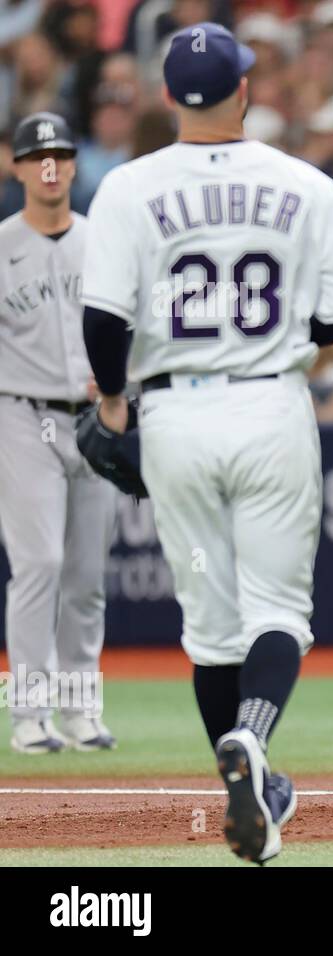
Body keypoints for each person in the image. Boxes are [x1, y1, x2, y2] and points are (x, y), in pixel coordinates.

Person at [79, 23, 333, 863]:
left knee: (212, 630)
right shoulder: (303, 182)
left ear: (172, 96)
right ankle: (254, 743)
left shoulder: (128, 188)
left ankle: (247, 782)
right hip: (269, 404)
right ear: (243, 89)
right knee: (280, 613)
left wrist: (112, 403)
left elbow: (104, 320)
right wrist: (290, 334)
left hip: (174, 411)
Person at [0, 112, 117, 755]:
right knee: (38, 562)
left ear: (73, 165)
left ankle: (77, 710)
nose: (50, 166)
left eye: (61, 154)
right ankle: (28, 713)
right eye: (36, 155)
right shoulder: (2, 244)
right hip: (19, 412)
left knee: (86, 572)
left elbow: (132, 326)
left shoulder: (102, 240)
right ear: (17, 167)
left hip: (95, 419)